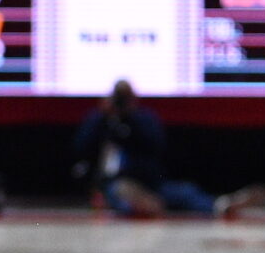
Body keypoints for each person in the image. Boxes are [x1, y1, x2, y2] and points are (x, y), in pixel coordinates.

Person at [74, 81, 213, 215]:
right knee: (118, 194)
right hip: (118, 184)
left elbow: (156, 145)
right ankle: (140, 207)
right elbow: (81, 147)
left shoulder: (144, 119)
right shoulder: (101, 120)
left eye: (125, 98)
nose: (121, 103)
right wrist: (102, 117)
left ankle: (220, 206)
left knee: (187, 192)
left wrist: (131, 119)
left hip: (152, 184)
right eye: (119, 98)